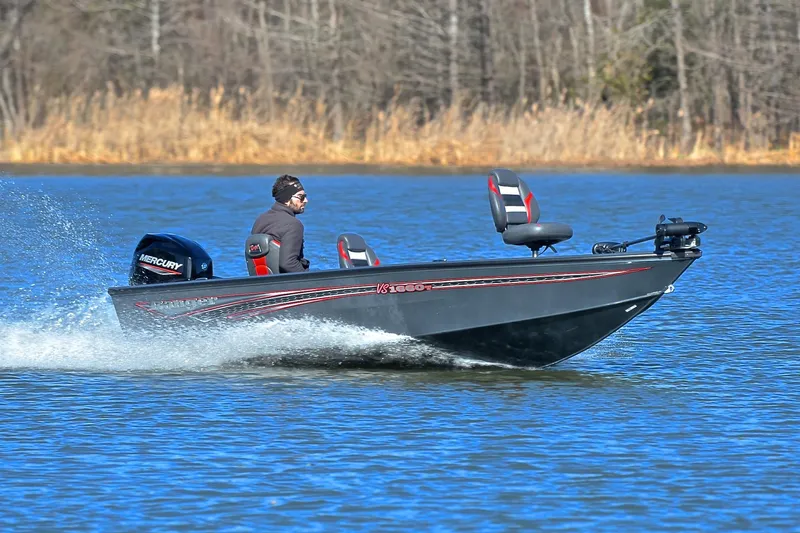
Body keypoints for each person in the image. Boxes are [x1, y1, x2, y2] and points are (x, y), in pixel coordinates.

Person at [251, 174, 310, 273]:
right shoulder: (294, 224)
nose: (305, 200)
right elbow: (288, 263)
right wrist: (310, 280)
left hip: (262, 283)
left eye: (305, 196)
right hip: (287, 284)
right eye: (301, 197)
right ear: (286, 199)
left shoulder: (260, 220)